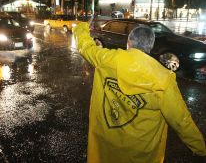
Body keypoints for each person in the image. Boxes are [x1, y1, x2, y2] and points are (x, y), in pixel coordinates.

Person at [72, 22, 206, 163]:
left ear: (129, 43)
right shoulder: (163, 79)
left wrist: (82, 27)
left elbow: (86, 47)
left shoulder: (107, 59)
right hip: (141, 153)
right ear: (150, 46)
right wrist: (200, 148)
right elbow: (181, 121)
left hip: (107, 146)